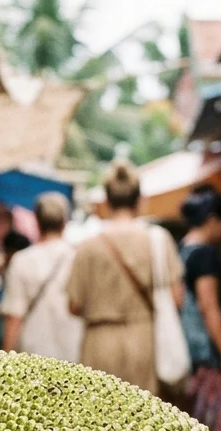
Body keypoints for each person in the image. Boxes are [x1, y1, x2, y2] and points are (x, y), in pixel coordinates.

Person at [65, 162, 185, 395]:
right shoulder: (157, 241)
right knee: (141, 421)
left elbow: (73, 306)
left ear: (107, 202)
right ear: (140, 201)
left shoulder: (87, 247)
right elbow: (176, 299)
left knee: (97, 421)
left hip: (98, 343)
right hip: (143, 341)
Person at [178, 185, 221, 431]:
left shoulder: (181, 249)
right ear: (214, 219)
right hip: (205, 355)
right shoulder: (204, 254)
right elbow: (209, 307)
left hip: (187, 353)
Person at [1, 193, 82, 362]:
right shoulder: (78, 259)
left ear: (37, 222)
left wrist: (5, 361)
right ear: (64, 223)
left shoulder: (21, 261)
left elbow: (13, 317)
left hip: (33, 355)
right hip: (72, 355)